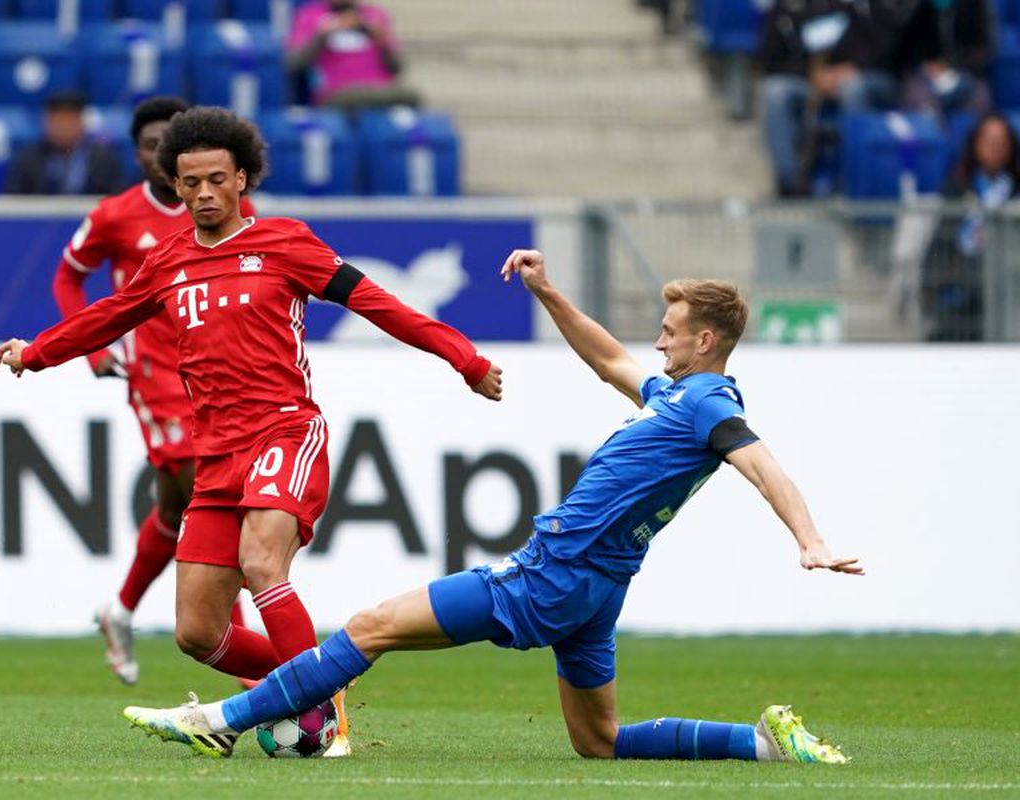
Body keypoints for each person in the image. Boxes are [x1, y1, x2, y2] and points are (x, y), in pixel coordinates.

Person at [121, 250, 862, 764]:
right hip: (596, 588)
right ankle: (761, 743)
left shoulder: (707, 399)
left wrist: (810, 538)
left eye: (670, 331)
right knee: (597, 742)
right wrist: (548, 294)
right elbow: (609, 360)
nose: (658, 340)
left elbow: (759, 462)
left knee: (369, 628)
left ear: (706, 340)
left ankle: (217, 721)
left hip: (553, 574)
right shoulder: (675, 394)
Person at [0, 107, 502, 758]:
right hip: (217, 456)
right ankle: (314, 682)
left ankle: (326, 723)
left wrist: (465, 359)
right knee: (197, 634)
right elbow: (109, 314)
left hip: (285, 432)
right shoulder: (169, 260)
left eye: (215, 179)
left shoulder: (286, 243)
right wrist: (35, 352)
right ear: (174, 186)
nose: (203, 194)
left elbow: (378, 302)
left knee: (263, 563)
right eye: (189, 183)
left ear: (241, 180)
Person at [50, 96, 258, 688]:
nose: (158, 156)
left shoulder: (229, 212)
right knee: (211, 497)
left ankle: (119, 609)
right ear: (149, 156)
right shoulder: (116, 215)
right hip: (155, 376)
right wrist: (91, 348)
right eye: (148, 146)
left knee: (178, 509)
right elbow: (68, 276)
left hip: (216, 376)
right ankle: (247, 665)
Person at [759, 0, 899, 196]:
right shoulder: (790, 9)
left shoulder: (867, 8)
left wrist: (850, 69)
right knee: (775, 91)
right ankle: (790, 182)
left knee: (852, 88)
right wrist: (813, 75)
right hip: (808, 80)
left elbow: (886, 48)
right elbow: (771, 60)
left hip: (863, 77)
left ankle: (854, 181)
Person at [923, 113, 1020, 341]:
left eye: (1001, 142)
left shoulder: (1016, 189)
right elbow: (941, 242)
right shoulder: (957, 187)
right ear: (975, 144)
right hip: (964, 286)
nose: (995, 148)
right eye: (989, 141)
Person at [286, 0, 421, 111]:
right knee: (352, 97)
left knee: (410, 95)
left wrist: (382, 41)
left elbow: (397, 69)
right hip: (337, 93)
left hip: (381, 90)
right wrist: (323, 36)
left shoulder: (376, 15)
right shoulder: (310, 15)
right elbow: (294, 64)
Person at [5, 90, 127, 196]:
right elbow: (13, 201)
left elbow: (119, 200)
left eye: (69, 120)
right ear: (46, 123)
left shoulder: (102, 159)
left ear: (81, 123)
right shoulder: (29, 159)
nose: (63, 127)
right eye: (58, 120)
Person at [896, 0, 994, 119]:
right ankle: (931, 133)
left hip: (966, 72)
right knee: (917, 97)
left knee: (980, 97)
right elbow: (907, 47)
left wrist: (951, 66)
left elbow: (983, 48)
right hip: (924, 73)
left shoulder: (975, 5)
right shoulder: (921, 7)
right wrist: (927, 65)